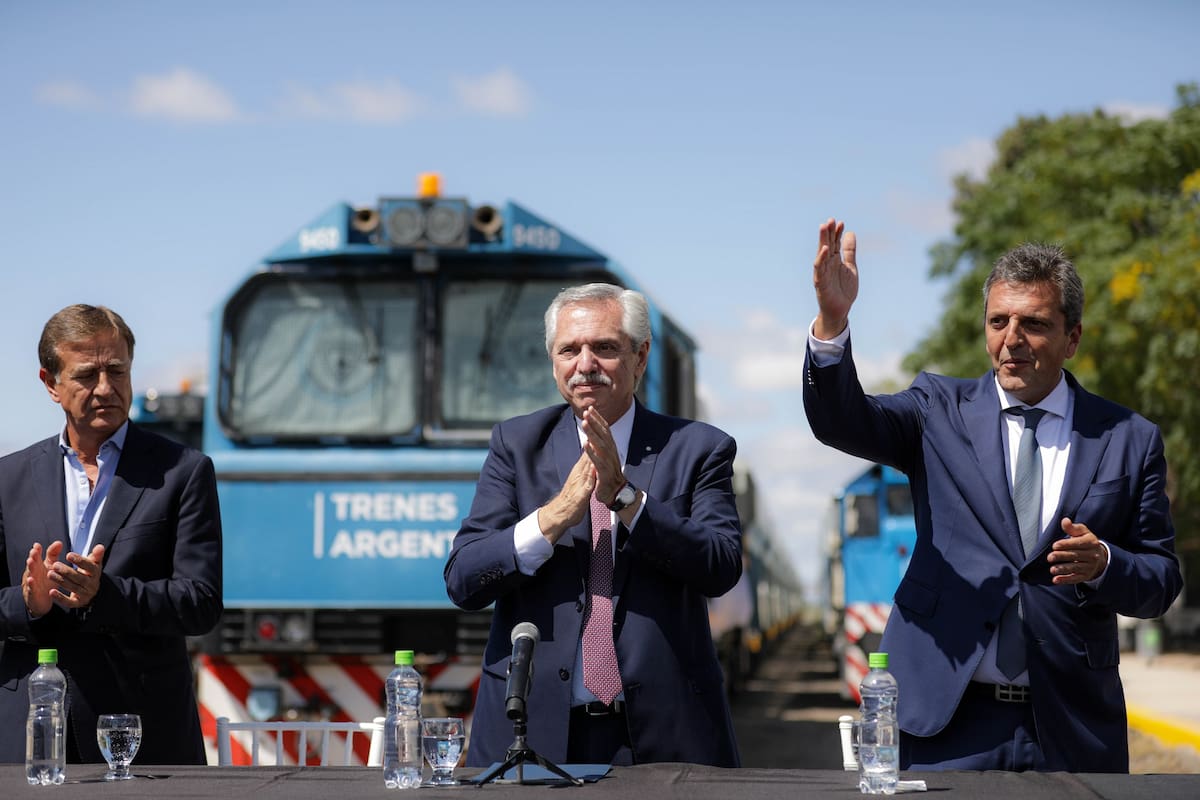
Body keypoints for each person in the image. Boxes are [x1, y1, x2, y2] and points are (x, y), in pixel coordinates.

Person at [804, 219, 1182, 772]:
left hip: (1070, 726)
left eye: (1033, 323)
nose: (1012, 339)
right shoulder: (937, 409)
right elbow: (842, 421)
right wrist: (833, 324)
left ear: (1072, 337)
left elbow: (1160, 581)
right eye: (998, 321)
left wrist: (1104, 563)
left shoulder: (1129, 438)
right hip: (944, 724)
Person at [444, 283, 742, 767]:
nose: (585, 364)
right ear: (553, 361)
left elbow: (721, 566)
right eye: (569, 350)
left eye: (604, 348)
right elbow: (463, 579)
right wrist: (553, 516)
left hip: (665, 740)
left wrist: (626, 500)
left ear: (640, 357)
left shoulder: (698, 448)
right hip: (530, 734)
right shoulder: (517, 445)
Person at [0, 304, 223, 765]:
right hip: (28, 738)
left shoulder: (182, 472)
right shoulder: (8, 479)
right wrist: (29, 604)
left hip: (142, 734)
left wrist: (105, 595)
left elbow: (200, 602)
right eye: (86, 375)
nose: (105, 388)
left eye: (117, 370)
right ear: (50, 383)